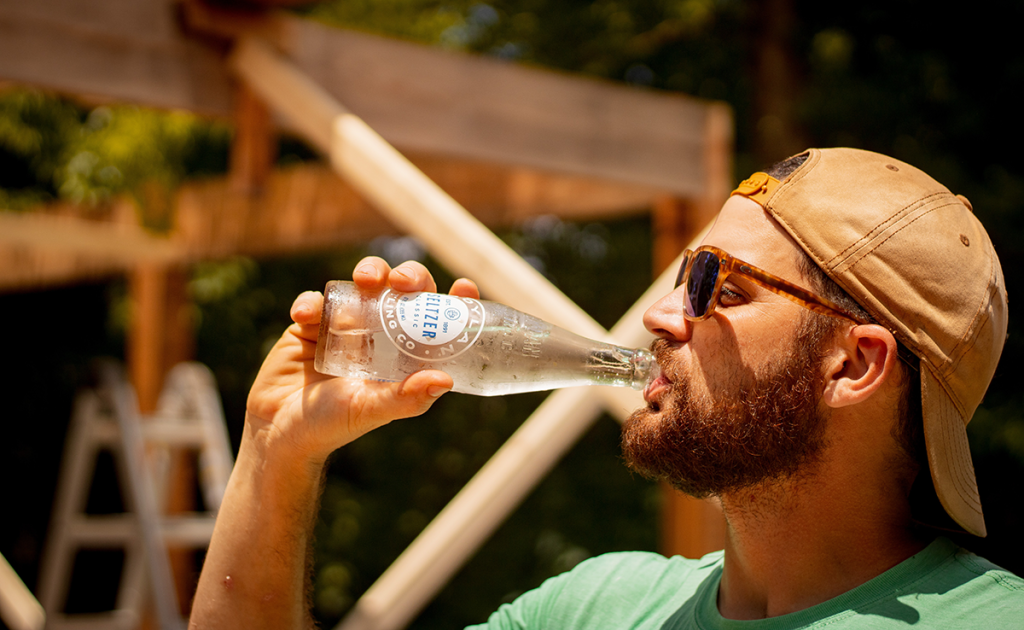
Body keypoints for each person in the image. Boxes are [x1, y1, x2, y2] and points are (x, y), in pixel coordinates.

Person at [188, 148, 1022, 629]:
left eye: (717, 287)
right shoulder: (595, 609)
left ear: (854, 365)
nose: (662, 315)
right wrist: (276, 451)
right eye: (681, 274)